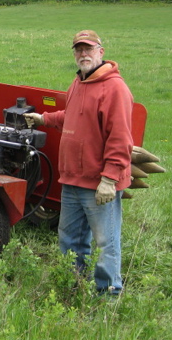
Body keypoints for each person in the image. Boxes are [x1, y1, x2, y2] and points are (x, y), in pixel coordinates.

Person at [24, 30, 133, 296]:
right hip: (71, 179)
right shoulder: (78, 83)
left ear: (101, 51)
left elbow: (120, 138)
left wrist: (109, 179)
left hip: (98, 183)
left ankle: (108, 294)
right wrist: (44, 119)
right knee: (69, 239)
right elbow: (71, 117)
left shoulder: (114, 88)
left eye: (88, 48)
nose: (83, 54)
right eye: (78, 49)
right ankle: (73, 285)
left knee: (106, 242)